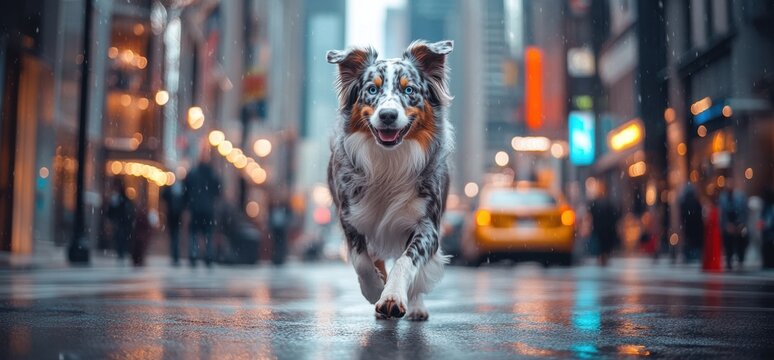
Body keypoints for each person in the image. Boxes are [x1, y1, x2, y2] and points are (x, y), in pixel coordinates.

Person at [184, 151, 222, 267]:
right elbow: (218, 191)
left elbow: (186, 190)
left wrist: (188, 205)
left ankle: (193, 255)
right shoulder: (212, 174)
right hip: (208, 209)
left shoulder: (193, 174)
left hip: (195, 208)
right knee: (208, 234)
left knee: (194, 233)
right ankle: (208, 255)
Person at [719, 179, 748, 270]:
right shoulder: (723, 198)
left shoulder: (740, 196)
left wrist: (741, 224)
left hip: (738, 224)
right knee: (728, 243)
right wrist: (726, 225)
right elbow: (722, 214)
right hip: (728, 225)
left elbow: (744, 211)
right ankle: (729, 259)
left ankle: (740, 258)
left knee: (741, 241)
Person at [589, 185, 619, 267]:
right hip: (606, 228)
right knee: (605, 244)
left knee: (601, 244)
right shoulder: (608, 204)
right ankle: (604, 255)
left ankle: (602, 255)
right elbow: (615, 215)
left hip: (601, 228)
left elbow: (592, 214)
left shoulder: (596, 204)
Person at [106, 177, 135, 262]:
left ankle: (121, 252)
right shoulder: (118, 197)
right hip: (120, 220)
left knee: (121, 236)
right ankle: (120, 252)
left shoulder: (121, 197)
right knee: (119, 236)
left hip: (122, 221)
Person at [161, 180, 186, 266]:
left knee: (175, 236)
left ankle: (175, 256)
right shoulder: (180, 189)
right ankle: (175, 256)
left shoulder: (172, 189)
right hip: (174, 217)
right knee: (175, 236)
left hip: (174, 216)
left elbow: (163, 196)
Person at [679, 183, 704, 263]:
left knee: (688, 241)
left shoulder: (684, 202)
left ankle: (689, 255)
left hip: (688, 226)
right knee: (694, 242)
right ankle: (694, 254)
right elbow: (699, 215)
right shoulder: (696, 202)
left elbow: (682, 215)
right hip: (695, 227)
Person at [760, 190, 774, 269]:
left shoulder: (767, 205)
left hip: (768, 229)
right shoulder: (767, 205)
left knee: (768, 246)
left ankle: (768, 262)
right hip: (768, 230)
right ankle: (767, 262)